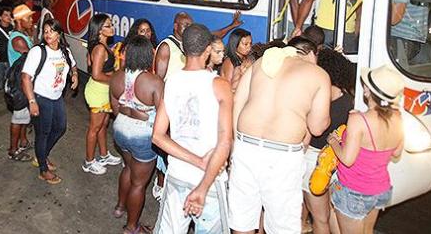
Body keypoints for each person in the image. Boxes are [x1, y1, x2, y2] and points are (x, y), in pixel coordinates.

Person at [228, 37, 331, 234]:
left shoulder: (262, 62)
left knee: (243, 221)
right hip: (282, 156)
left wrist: (235, 147)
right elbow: (317, 128)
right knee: (282, 226)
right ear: (311, 53)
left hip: (246, 147)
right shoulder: (318, 74)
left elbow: (238, 101)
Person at [152, 23, 234, 233]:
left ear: (184, 50)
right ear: (208, 50)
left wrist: (195, 161)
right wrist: (203, 185)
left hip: (178, 174)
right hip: (211, 181)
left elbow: (158, 137)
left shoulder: (172, 82)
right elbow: (225, 142)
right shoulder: (220, 85)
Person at [328, 65, 405, 234]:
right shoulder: (398, 118)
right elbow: (396, 152)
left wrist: (334, 141)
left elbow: (347, 160)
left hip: (354, 191)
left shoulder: (358, 120)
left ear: (368, 92)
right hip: (379, 189)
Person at [110, 36, 164, 233]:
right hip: (142, 137)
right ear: (149, 55)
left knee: (128, 168)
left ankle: (120, 207)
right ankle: (131, 226)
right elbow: (162, 115)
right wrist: (143, 117)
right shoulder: (154, 82)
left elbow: (115, 108)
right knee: (139, 183)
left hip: (120, 130)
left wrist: (128, 111)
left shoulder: (117, 76)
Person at [302, 48, 355, 234]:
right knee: (331, 211)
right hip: (335, 161)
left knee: (320, 219)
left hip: (314, 162)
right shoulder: (349, 101)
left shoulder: (316, 96)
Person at [22, 19, 78, 184]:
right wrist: (32, 101)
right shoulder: (38, 52)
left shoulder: (65, 51)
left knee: (60, 128)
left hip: (56, 97)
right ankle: (43, 170)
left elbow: (73, 66)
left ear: (59, 34)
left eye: (51, 31)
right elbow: (25, 78)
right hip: (41, 97)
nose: (47, 34)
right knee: (43, 133)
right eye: (45, 31)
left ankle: (41, 156)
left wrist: (74, 75)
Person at [82, 14, 122, 175]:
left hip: (104, 91)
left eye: (111, 24)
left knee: (103, 125)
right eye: (108, 25)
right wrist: (116, 79)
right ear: (99, 29)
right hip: (98, 92)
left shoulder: (102, 46)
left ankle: (104, 155)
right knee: (94, 128)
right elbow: (96, 75)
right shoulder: (99, 49)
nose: (112, 27)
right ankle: (89, 161)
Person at [6, 4, 35, 161]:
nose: (31, 20)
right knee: (18, 118)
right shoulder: (18, 40)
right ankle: (13, 150)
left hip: (24, 81)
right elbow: (33, 57)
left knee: (24, 116)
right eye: (28, 18)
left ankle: (23, 141)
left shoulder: (21, 35)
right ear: (19, 20)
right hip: (19, 83)